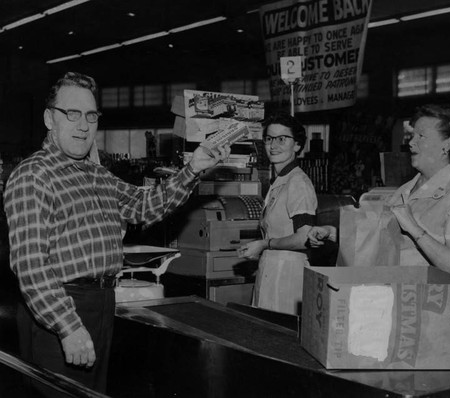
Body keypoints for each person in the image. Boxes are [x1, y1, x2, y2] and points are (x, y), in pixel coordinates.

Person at [3, 71, 230, 395]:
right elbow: (31, 267)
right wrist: (67, 327)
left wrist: (192, 169)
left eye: (91, 116)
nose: (83, 126)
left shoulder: (96, 174)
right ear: (49, 119)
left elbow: (142, 205)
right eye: (72, 114)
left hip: (101, 303)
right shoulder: (34, 176)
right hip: (60, 309)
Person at [308, 104, 450, 326]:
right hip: (404, 309)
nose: (411, 142)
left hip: (439, 317)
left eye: (421, 136)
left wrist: (414, 228)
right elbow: (380, 240)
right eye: (411, 135)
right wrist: (335, 234)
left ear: (446, 145)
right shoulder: (406, 189)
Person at [238, 111, 317, 315]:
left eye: (282, 139)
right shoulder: (280, 181)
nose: (273, 145)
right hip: (271, 271)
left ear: (297, 145)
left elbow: (304, 238)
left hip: (288, 276)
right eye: (269, 139)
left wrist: (264, 244)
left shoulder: (298, 182)